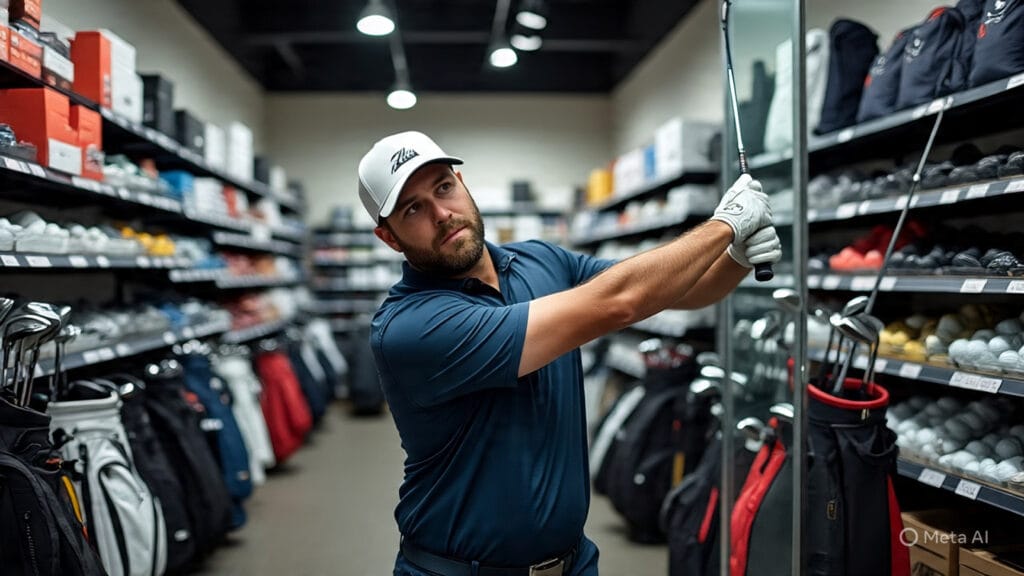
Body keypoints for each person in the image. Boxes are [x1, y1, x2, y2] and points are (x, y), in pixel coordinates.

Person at [357, 130, 781, 576]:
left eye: (443, 187)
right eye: (413, 209)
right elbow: (621, 300)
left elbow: (676, 291)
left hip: (573, 564)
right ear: (389, 237)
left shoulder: (541, 261)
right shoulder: (410, 327)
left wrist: (734, 258)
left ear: (462, 182)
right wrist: (726, 224)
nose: (441, 213)